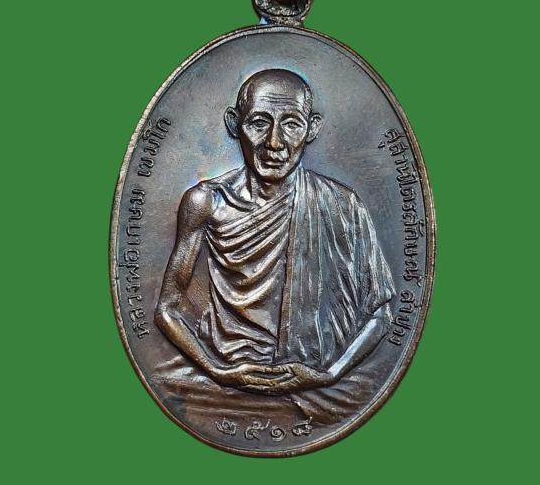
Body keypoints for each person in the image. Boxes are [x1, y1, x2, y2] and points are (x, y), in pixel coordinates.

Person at [155, 69, 395, 406]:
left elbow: (382, 313)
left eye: (292, 124)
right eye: (259, 123)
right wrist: (218, 371)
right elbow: (167, 309)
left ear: (312, 128)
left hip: (317, 381)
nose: (275, 143)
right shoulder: (206, 202)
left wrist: (330, 374)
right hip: (226, 377)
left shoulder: (343, 206)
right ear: (234, 123)